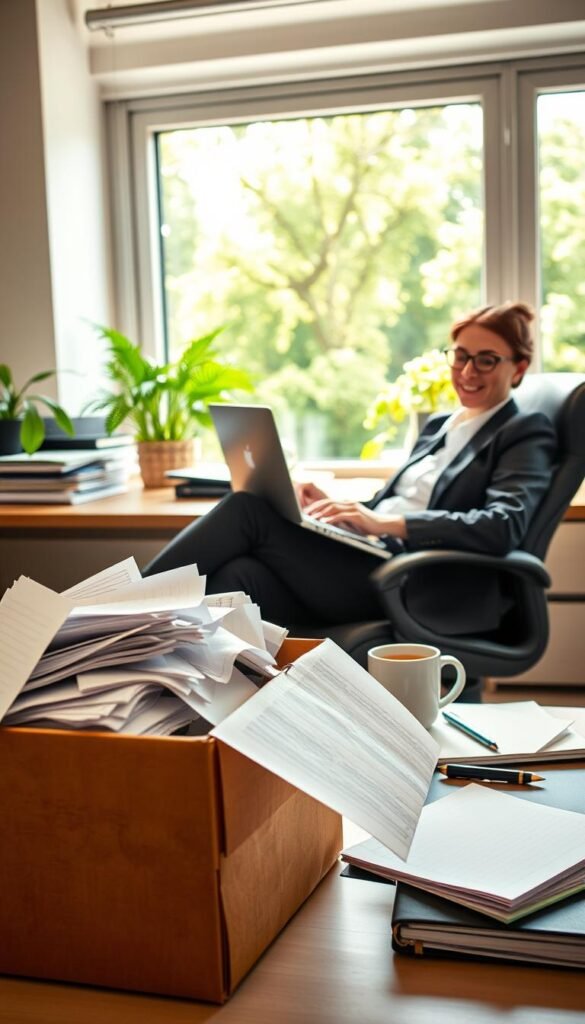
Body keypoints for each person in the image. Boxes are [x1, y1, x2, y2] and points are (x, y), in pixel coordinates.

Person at [142, 301, 556, 636]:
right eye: (461, 356)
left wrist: (387, 525)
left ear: (518, 368)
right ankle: (164, 684)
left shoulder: (524, 431)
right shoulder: (439, 425)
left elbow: (503, 525)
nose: (467, 372)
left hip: (411, 581)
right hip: (370, 556)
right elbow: (392, 502)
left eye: (486, 361)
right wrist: (339, 508)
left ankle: (118, 613)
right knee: (239, 575)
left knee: (247, 509)